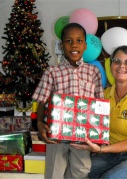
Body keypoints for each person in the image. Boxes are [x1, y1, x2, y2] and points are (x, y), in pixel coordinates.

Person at [71, 45, 127, 179]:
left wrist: (101, 150)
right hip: (113, 153)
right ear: (111, 66)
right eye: (117, 61)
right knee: (81, 172)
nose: (121, 66)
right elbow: (92, 125)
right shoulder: (105, 95)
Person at [32, 22, 104, 179]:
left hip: (83, 134)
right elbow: (42, 100)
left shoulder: (93, 72)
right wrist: (39, 123)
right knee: (55, 172)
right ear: (61, 45)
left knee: (82, 170)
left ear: (85, 45)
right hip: (56, 133)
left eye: (79, 41)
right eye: (68, 41)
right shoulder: (52, 71)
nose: (74, 45)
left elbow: (99, 104)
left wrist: (99, 134)